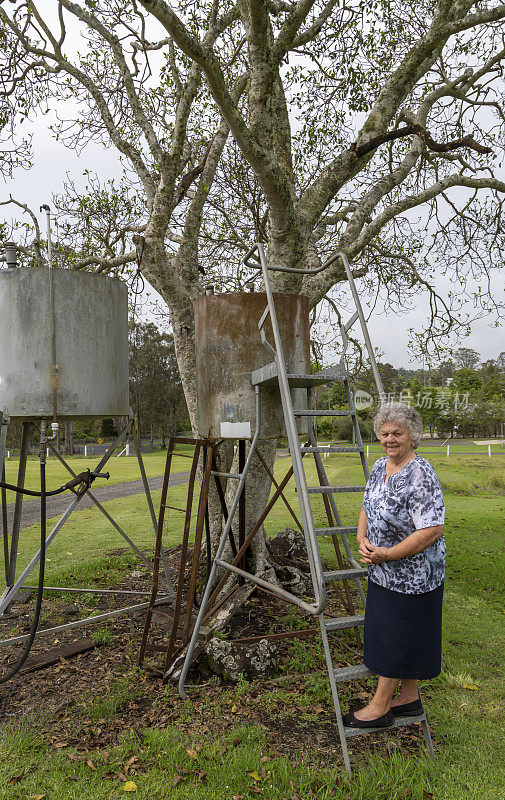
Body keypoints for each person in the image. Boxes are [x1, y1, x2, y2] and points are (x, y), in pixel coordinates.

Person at [343, 402, 445, 728]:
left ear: (412, 436)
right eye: (385, 433)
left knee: (396, 636)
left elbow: (431, 530)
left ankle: (380, 706)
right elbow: (367, 506)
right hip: (383, 571)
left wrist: (388, 554)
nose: (389, 439)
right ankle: (410, 698)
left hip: (414, 576)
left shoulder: (421, 474)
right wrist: (362, 538)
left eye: (397, 433)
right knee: (402, 632)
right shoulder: (378, 467)